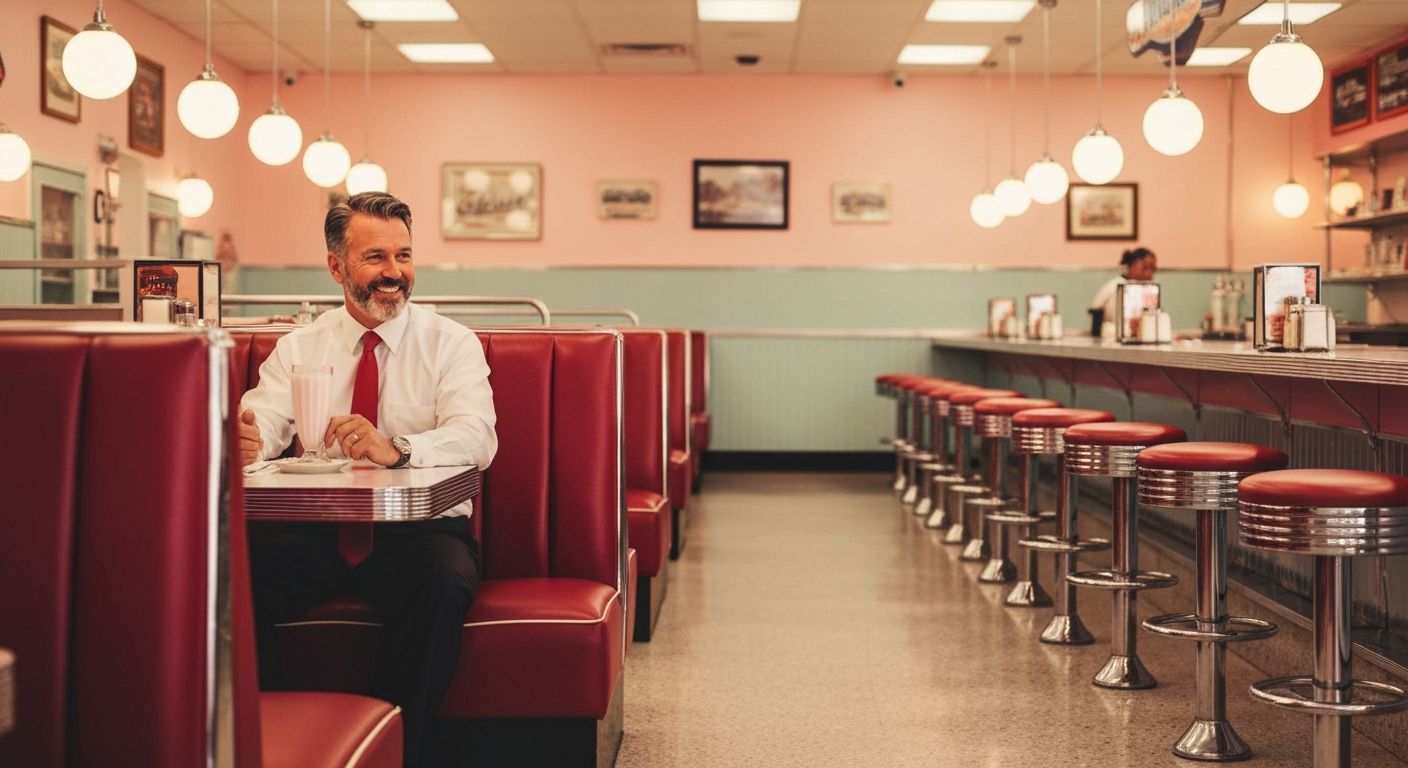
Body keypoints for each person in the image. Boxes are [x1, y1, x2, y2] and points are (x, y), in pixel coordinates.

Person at [239, 192, 497, 767]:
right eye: (374, 257)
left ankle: (395, 752)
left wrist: (398, 448)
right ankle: (276, 746)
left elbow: (477, 437)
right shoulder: (299, 347)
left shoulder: (451, 343)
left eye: (403, 256)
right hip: (314, 534)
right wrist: (247, 439)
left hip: (422, 536)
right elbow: (268, 420)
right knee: (231, 583)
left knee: (441, 585)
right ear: (336, 267)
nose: (393, 273)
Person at [1089, 246, 1158, 332]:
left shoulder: (1149, 289)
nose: (1149, 274)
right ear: (1132, 265)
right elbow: (1096, 310)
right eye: (1145, 268)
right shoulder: (1115, 286)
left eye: (1153, 270)